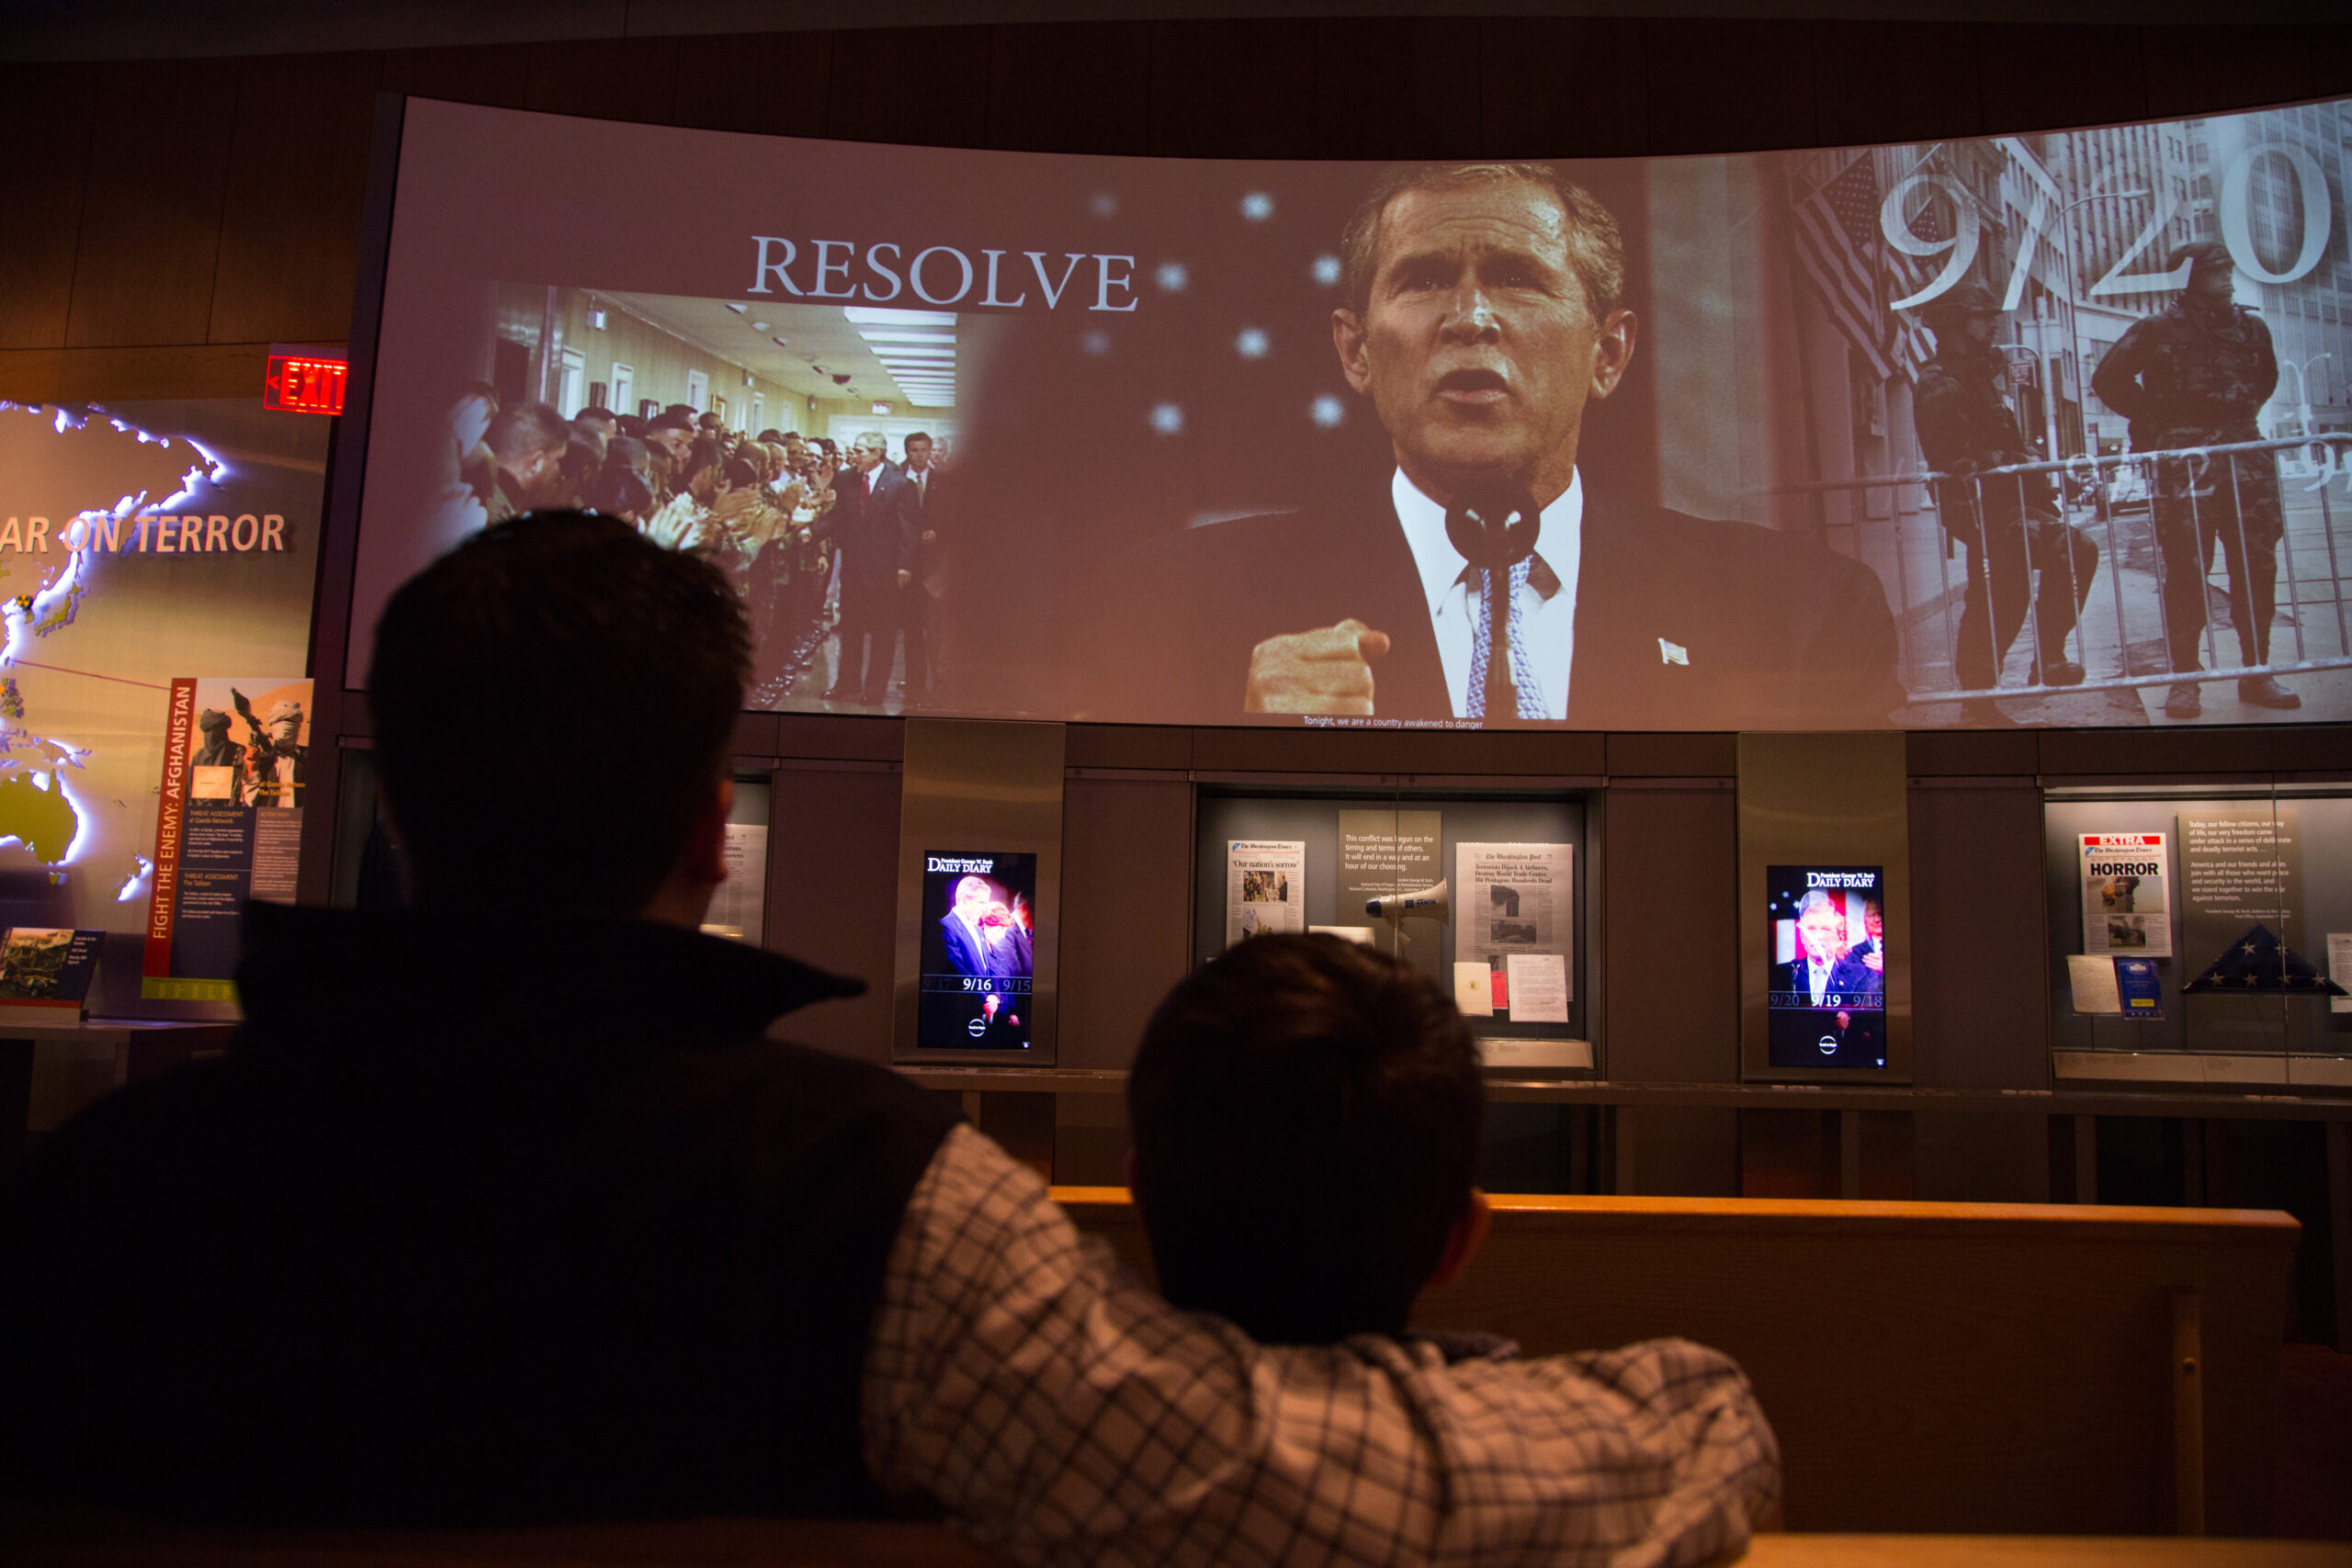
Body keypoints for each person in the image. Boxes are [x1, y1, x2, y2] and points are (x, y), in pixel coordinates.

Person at [0, 513, 1781, 1562]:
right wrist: (1691, 1406)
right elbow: (1311, 1500)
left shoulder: (90, 1198)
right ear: (710, 829)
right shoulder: (880, 1204)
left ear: (392, 815)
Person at [1102, 162, 1905, 730]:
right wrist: (1241, 743)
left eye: (1518, 277)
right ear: (1355, 351)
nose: (1470, 318)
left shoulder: (1801, 616)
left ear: (1609, 352)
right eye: (1423, 279)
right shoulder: (1179, 608)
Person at [1126, 932, 1778, 1548]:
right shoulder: (1513, 1477)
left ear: (1139, 1190)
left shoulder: (1097, 1420)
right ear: (1459, 1240)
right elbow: (1715, 1413)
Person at [2091, 240, 2297, 718]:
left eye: (2228, 270)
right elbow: (2108, 380)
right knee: (2187, 572)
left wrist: (2231, 419)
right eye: (2215, 271)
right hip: (2186, 468)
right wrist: (2158, 419)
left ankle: (2257, 671)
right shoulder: (2156, 329)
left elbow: (2265, 381)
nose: (2227, 279)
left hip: (2244, 461)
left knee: (2257, 568)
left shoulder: (2251, 329)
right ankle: (2185, 679)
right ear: (2190, 279)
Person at [1909, 283, 2100, 723]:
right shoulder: (1941, 382)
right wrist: (2021, 460)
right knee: (2011, 592)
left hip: (2010, 505)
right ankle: (1997, 692)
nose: (1992, 324)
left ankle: (2020, 676)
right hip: (1982, 511)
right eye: (1982, 317)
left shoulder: (1975, 376)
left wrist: (2023, 460)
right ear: (1956, 324)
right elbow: (1957, 459)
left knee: (2006, 595)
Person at [820, 432, 920, 705]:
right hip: (853, 568)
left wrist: (905, 565)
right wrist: (809, 532)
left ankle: (875, 690)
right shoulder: (845, 479)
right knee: (850, 629)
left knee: (883, 632)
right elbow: (837, 517)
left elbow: (909, 530)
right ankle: (847, 683)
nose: (854, 456)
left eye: (860, 451)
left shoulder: (900, 484)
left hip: (885, 571)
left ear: (877, 453)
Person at [1776, 890, 1879, 1006]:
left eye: (1825, 929)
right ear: (1802, 937)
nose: (1817, 936)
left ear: (1840, 938)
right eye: (1811, 929)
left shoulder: (1862, 975)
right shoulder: (1780, 975)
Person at [901, 432, 944, 699]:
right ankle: (914, 678)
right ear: (907, 452)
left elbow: (952, 516)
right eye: (914, 450)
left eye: (924, 450)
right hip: (906, 562)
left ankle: (939, 676)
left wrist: (937, 533)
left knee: (935, 624)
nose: (919, 455)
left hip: (934, 562)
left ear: (930, 451)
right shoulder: (897, 478)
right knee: (911, 624)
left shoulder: (943, 481)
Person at [481, 401, 570, 523]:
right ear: (536, 462)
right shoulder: (493, 518)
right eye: (558, 460)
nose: (560, 472)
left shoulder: (478, 499)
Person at [937, 874, 998, 976]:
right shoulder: (946, 927)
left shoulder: (979, 931)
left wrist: (993, 987)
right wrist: (983, 988)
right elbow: (957, 972)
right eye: (981, 903)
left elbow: (990, 968)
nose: (984, 909)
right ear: (965, 900)